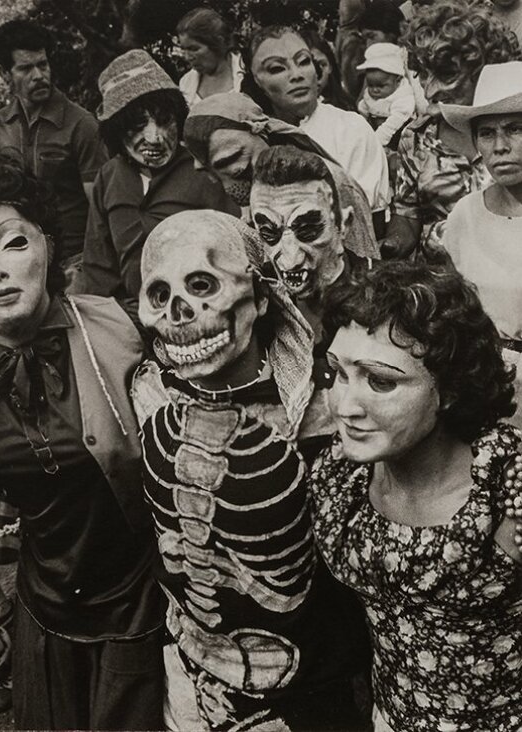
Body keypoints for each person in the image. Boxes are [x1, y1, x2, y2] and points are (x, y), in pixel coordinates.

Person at [0, 149, 165, 730]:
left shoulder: (122, 330)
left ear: (49, 245)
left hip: (139, 603)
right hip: (46, 610)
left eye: (14, 242)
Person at [132, 209, 371, 732]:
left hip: (312, 684)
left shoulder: (326, 409)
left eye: (202, 286)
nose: (179, 312)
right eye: (160, 296)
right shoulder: (148, 396)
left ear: (261, 298)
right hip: (190, 672)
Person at [310, 260, 522, 732]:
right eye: (338, 373)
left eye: (381, 381)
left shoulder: (505, 489)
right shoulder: (338, 477)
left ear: (447, 389)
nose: (345, 406)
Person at [81, 49, 238, 304]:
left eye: (165, 121)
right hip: (130, 317)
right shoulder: (109, 177)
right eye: (137, 126)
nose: (155, 137)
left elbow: (235, 251)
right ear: (117, 131)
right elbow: (98, 270)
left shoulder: (204, 170)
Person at [382, 0, 519, 259]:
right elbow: (407, 216)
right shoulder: (416, 137)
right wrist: (391, 245)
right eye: (422, 73)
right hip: (443, 288)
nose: (429, 90)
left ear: (483, 69)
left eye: (445, 74)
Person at [183, 91, 380, 259]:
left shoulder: (327, 184)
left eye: (237, 156)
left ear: (261, 132)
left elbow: (362, 266)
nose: (237, 169)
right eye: (222, 166)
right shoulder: (252, 187)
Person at [0, 20, 108, 285]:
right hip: (24, 261)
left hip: (76, 261)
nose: (39, 75)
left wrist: (93, 266)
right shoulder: (1, 124)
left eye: (42, 64)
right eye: (26, 68)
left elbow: (102, 206)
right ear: (4, 74)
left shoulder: (81, 124)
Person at [441, 61, 522, 429]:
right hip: (486, 388)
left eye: (516, 129)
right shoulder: (465, 216)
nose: (501, 147)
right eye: (487, 134)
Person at [247, 26, 390, 231]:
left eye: (304, 61)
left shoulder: (351, 128)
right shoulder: (253, 136)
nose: (297, 75)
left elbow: (363, 215)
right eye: (277, 68)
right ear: (256, 80)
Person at [249, 145, 373, 345]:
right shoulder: (260, 302)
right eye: (269, 233)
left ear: (343, 224)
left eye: (307, 230)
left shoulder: (388, 297)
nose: (291, 260)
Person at [176, 7, 244, 107]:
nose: (187, 57)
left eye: (194, 49)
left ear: (218, 43)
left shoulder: (246, 76)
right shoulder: (186, 83)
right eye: (184, 49)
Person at [356, 43, 415, 149]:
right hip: (376, 131)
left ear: (397, 81)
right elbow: (363, 109)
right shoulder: (371, 94)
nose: (374, 90)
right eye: (370, 85)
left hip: (397, 135)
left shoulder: (403, 97)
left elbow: (393, 123)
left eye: (381, 86)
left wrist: (377, 141)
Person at [298, 30, 356, 111]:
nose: (316, 74)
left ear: (330, 66)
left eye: (322, 65)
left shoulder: (346, 107)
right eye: (305, 65)